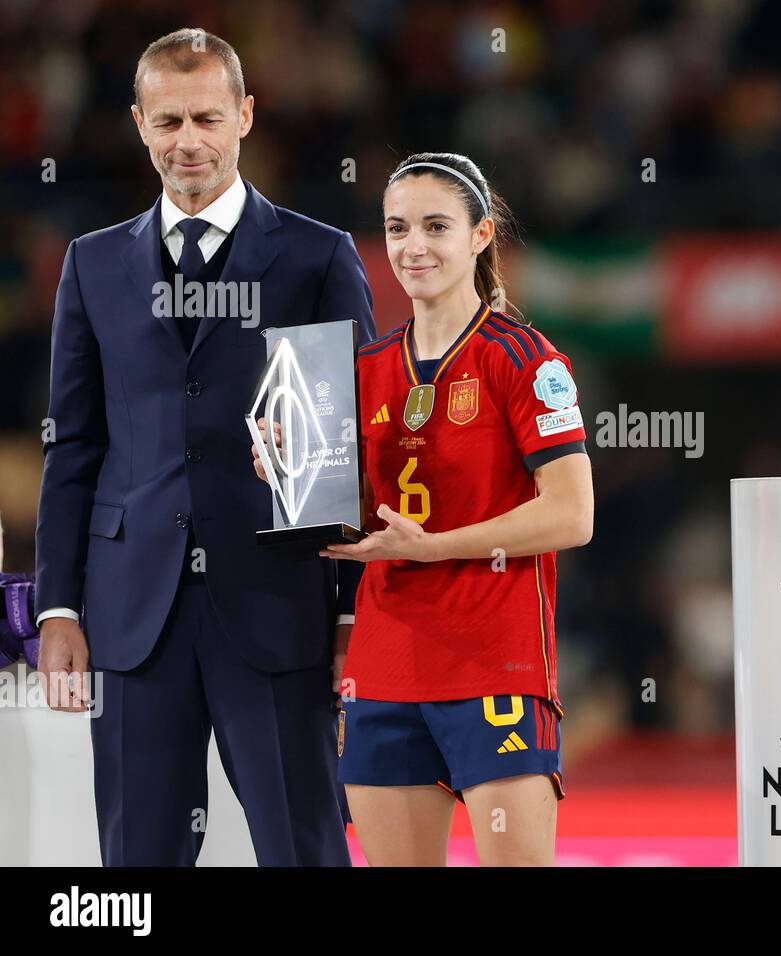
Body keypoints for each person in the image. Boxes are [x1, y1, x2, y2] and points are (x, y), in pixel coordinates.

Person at [35, 28, 374, 866]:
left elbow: (351, 444)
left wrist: (350, 611)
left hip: (278, 609)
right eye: (170, 120)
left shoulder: (318, 254)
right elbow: (72, 445)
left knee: (304, 847)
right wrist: (58, 606)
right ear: (140, 124)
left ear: (246, 117)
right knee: (137, 859)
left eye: (208, 118)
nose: (189, 140)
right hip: (129, 615)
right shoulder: (92, 264)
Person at [254, 152, 593, 866]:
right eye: (397, 227)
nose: (414, 246)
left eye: (436, 226)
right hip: (384, 669)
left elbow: (572, 516)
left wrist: (435, 545)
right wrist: (293, 476)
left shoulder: (526, 361)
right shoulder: (360, 370)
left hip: (494, 665)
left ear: (480, 235)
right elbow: (351, 519)